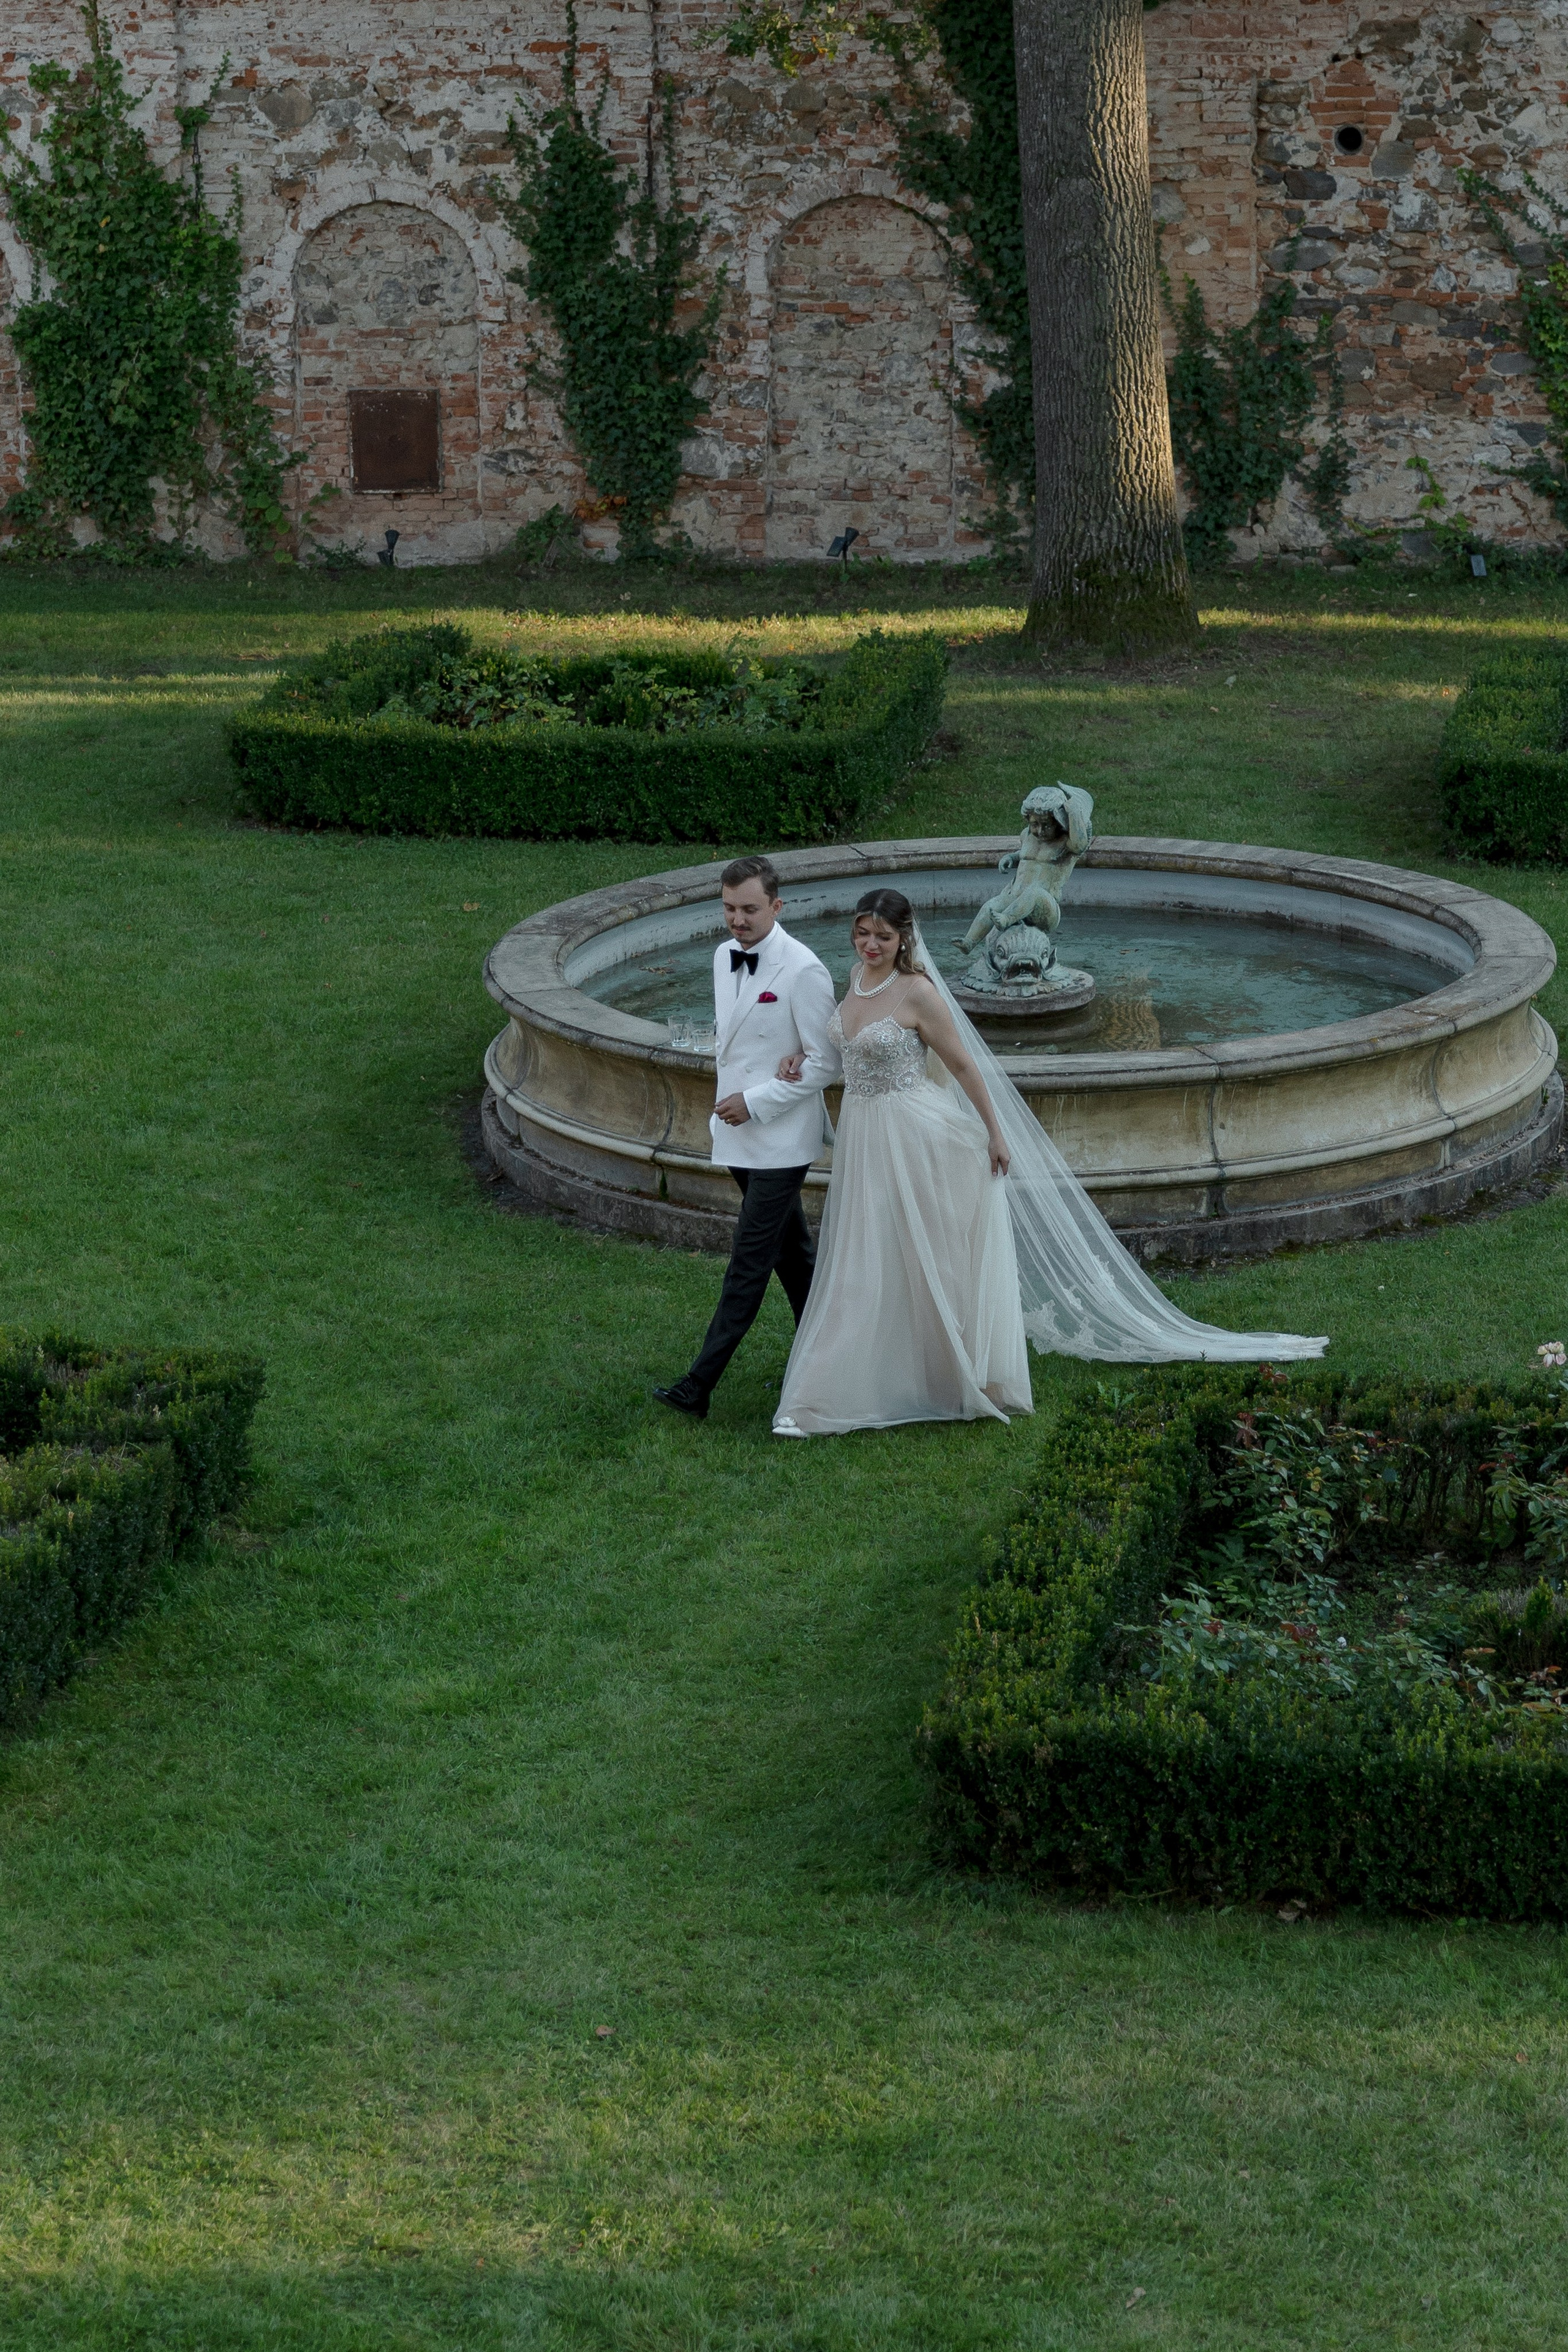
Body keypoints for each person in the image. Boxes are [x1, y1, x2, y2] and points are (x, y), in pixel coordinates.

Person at [771, 888, 1327, 1439]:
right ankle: (868, 1370)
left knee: (920, 1251)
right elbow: (844, 1044)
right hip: (868, 1135)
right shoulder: (856, 978)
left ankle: (930, 1375)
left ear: (904, 938)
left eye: (883, 937)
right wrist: (803, 1054)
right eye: (862, 934)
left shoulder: (919, 992)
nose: (871, 944)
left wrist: (995, 1133)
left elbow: (965, 1067)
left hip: (913, 1133)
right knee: (867, 1248)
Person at [653, 855, 840, 1422]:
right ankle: (831, 1364)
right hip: (736, 1137)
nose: (738, 920)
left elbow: (825, 1063)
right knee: (796, 1260)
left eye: (750, 909)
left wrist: (755, 1102)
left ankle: (698, 1386)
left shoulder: (804, 970)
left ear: (777, 907)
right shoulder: (721, 956)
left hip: (781, 1140)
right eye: (730, 908)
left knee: (749, 1261)